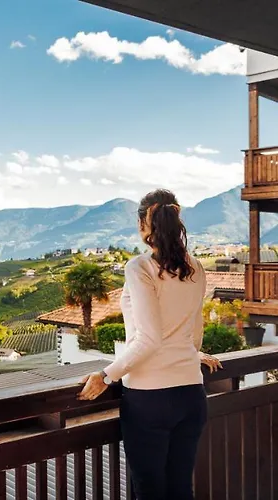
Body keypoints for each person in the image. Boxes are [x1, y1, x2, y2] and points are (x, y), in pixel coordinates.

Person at [78, 189, 222, 500]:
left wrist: (106, 376)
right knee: (181, 489)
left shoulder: (139, 267)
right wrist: (190, 353)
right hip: (191, 394)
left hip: (150, 399)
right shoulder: (196, 267)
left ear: (144, 222)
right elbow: (194, 331)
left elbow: (149, 338)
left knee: (150, 492)